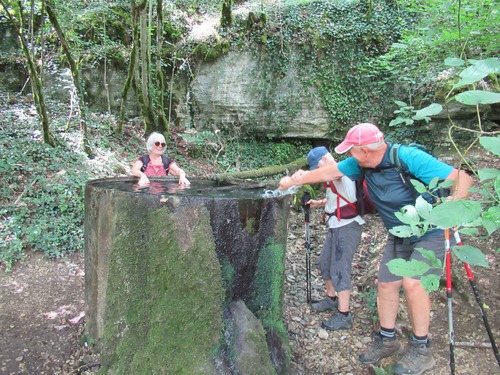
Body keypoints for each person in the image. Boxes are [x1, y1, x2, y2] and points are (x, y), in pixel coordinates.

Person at [279, 123, 473, 375]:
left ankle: (422, 349)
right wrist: (294, 180)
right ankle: (388, 339)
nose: (349, 155)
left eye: (351, 150)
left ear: (365, 150)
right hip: (399, 233)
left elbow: (462, 179)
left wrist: (453, 208)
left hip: (431, 231)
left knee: (413, 284)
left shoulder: (408, 157)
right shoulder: (359, 163)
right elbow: (329, 172)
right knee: (386, 285)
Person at [305, 146, 364, 331]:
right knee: (324, 263)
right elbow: (339, 194)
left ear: (324, 160)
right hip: (335, 225)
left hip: (347, 227)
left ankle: (344, 315)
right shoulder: (335, 174)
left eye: (318, 167)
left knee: (340, 269)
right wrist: (320, 203)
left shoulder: (340, 171)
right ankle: (331, 299)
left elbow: (336, 177)